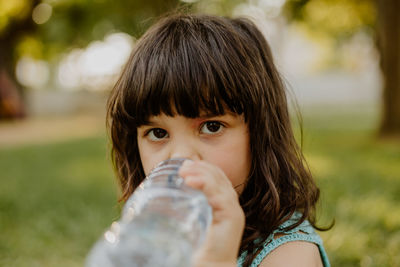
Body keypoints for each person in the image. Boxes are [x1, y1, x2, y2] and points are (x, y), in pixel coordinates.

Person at [106, 13, 331, 267]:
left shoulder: (291, 253)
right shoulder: (162, 238)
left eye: (211, 127)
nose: (180, 157)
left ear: (259, 133)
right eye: (158, 133)